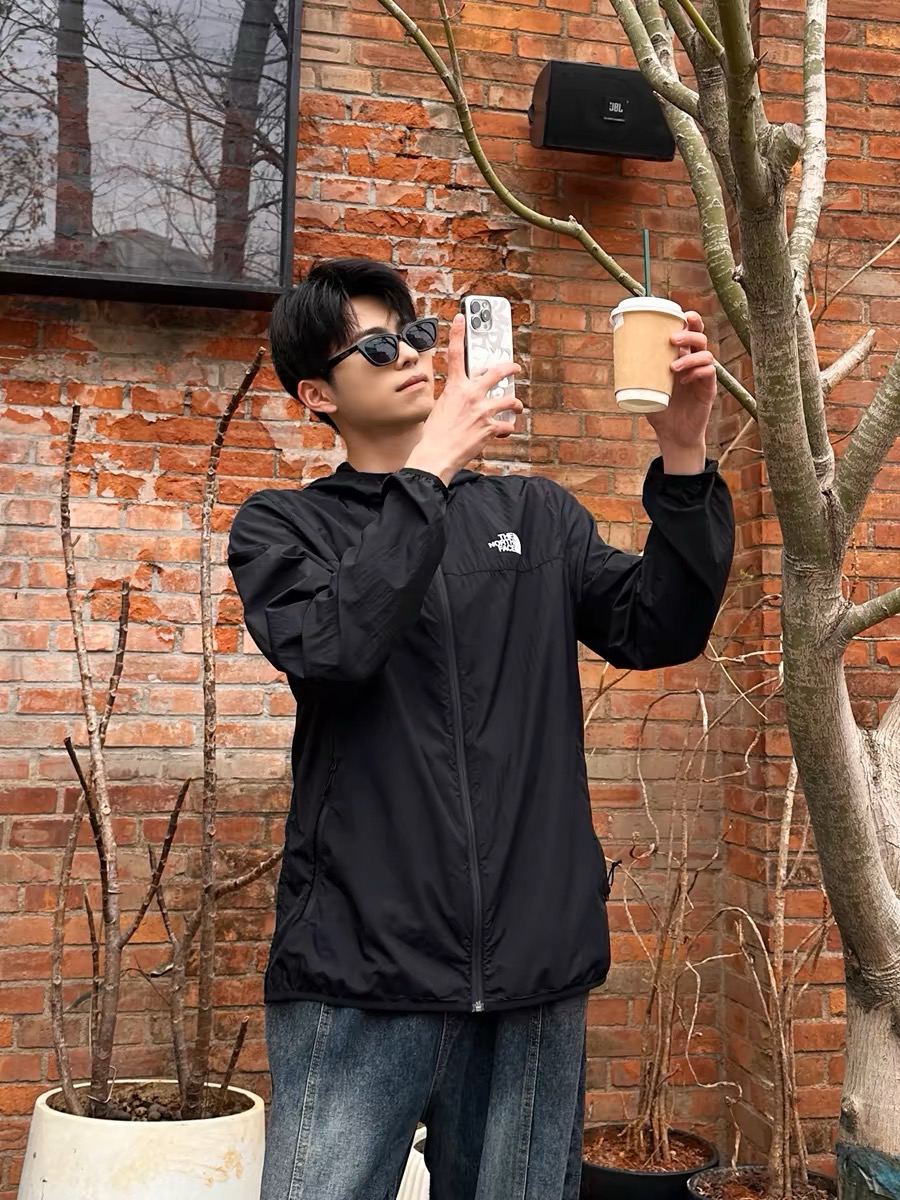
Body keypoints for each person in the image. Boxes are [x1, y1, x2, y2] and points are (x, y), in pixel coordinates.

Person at [228, 257, 735, 1200]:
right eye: (377, 348)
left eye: (416, 335)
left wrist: (683, 454)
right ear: (316, 396)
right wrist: (430, 468)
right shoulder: (284, 529)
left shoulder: (533, 515)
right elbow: (337, 646)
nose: (412, 356)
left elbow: (661, 627)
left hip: (532, 971)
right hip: (356, 973)